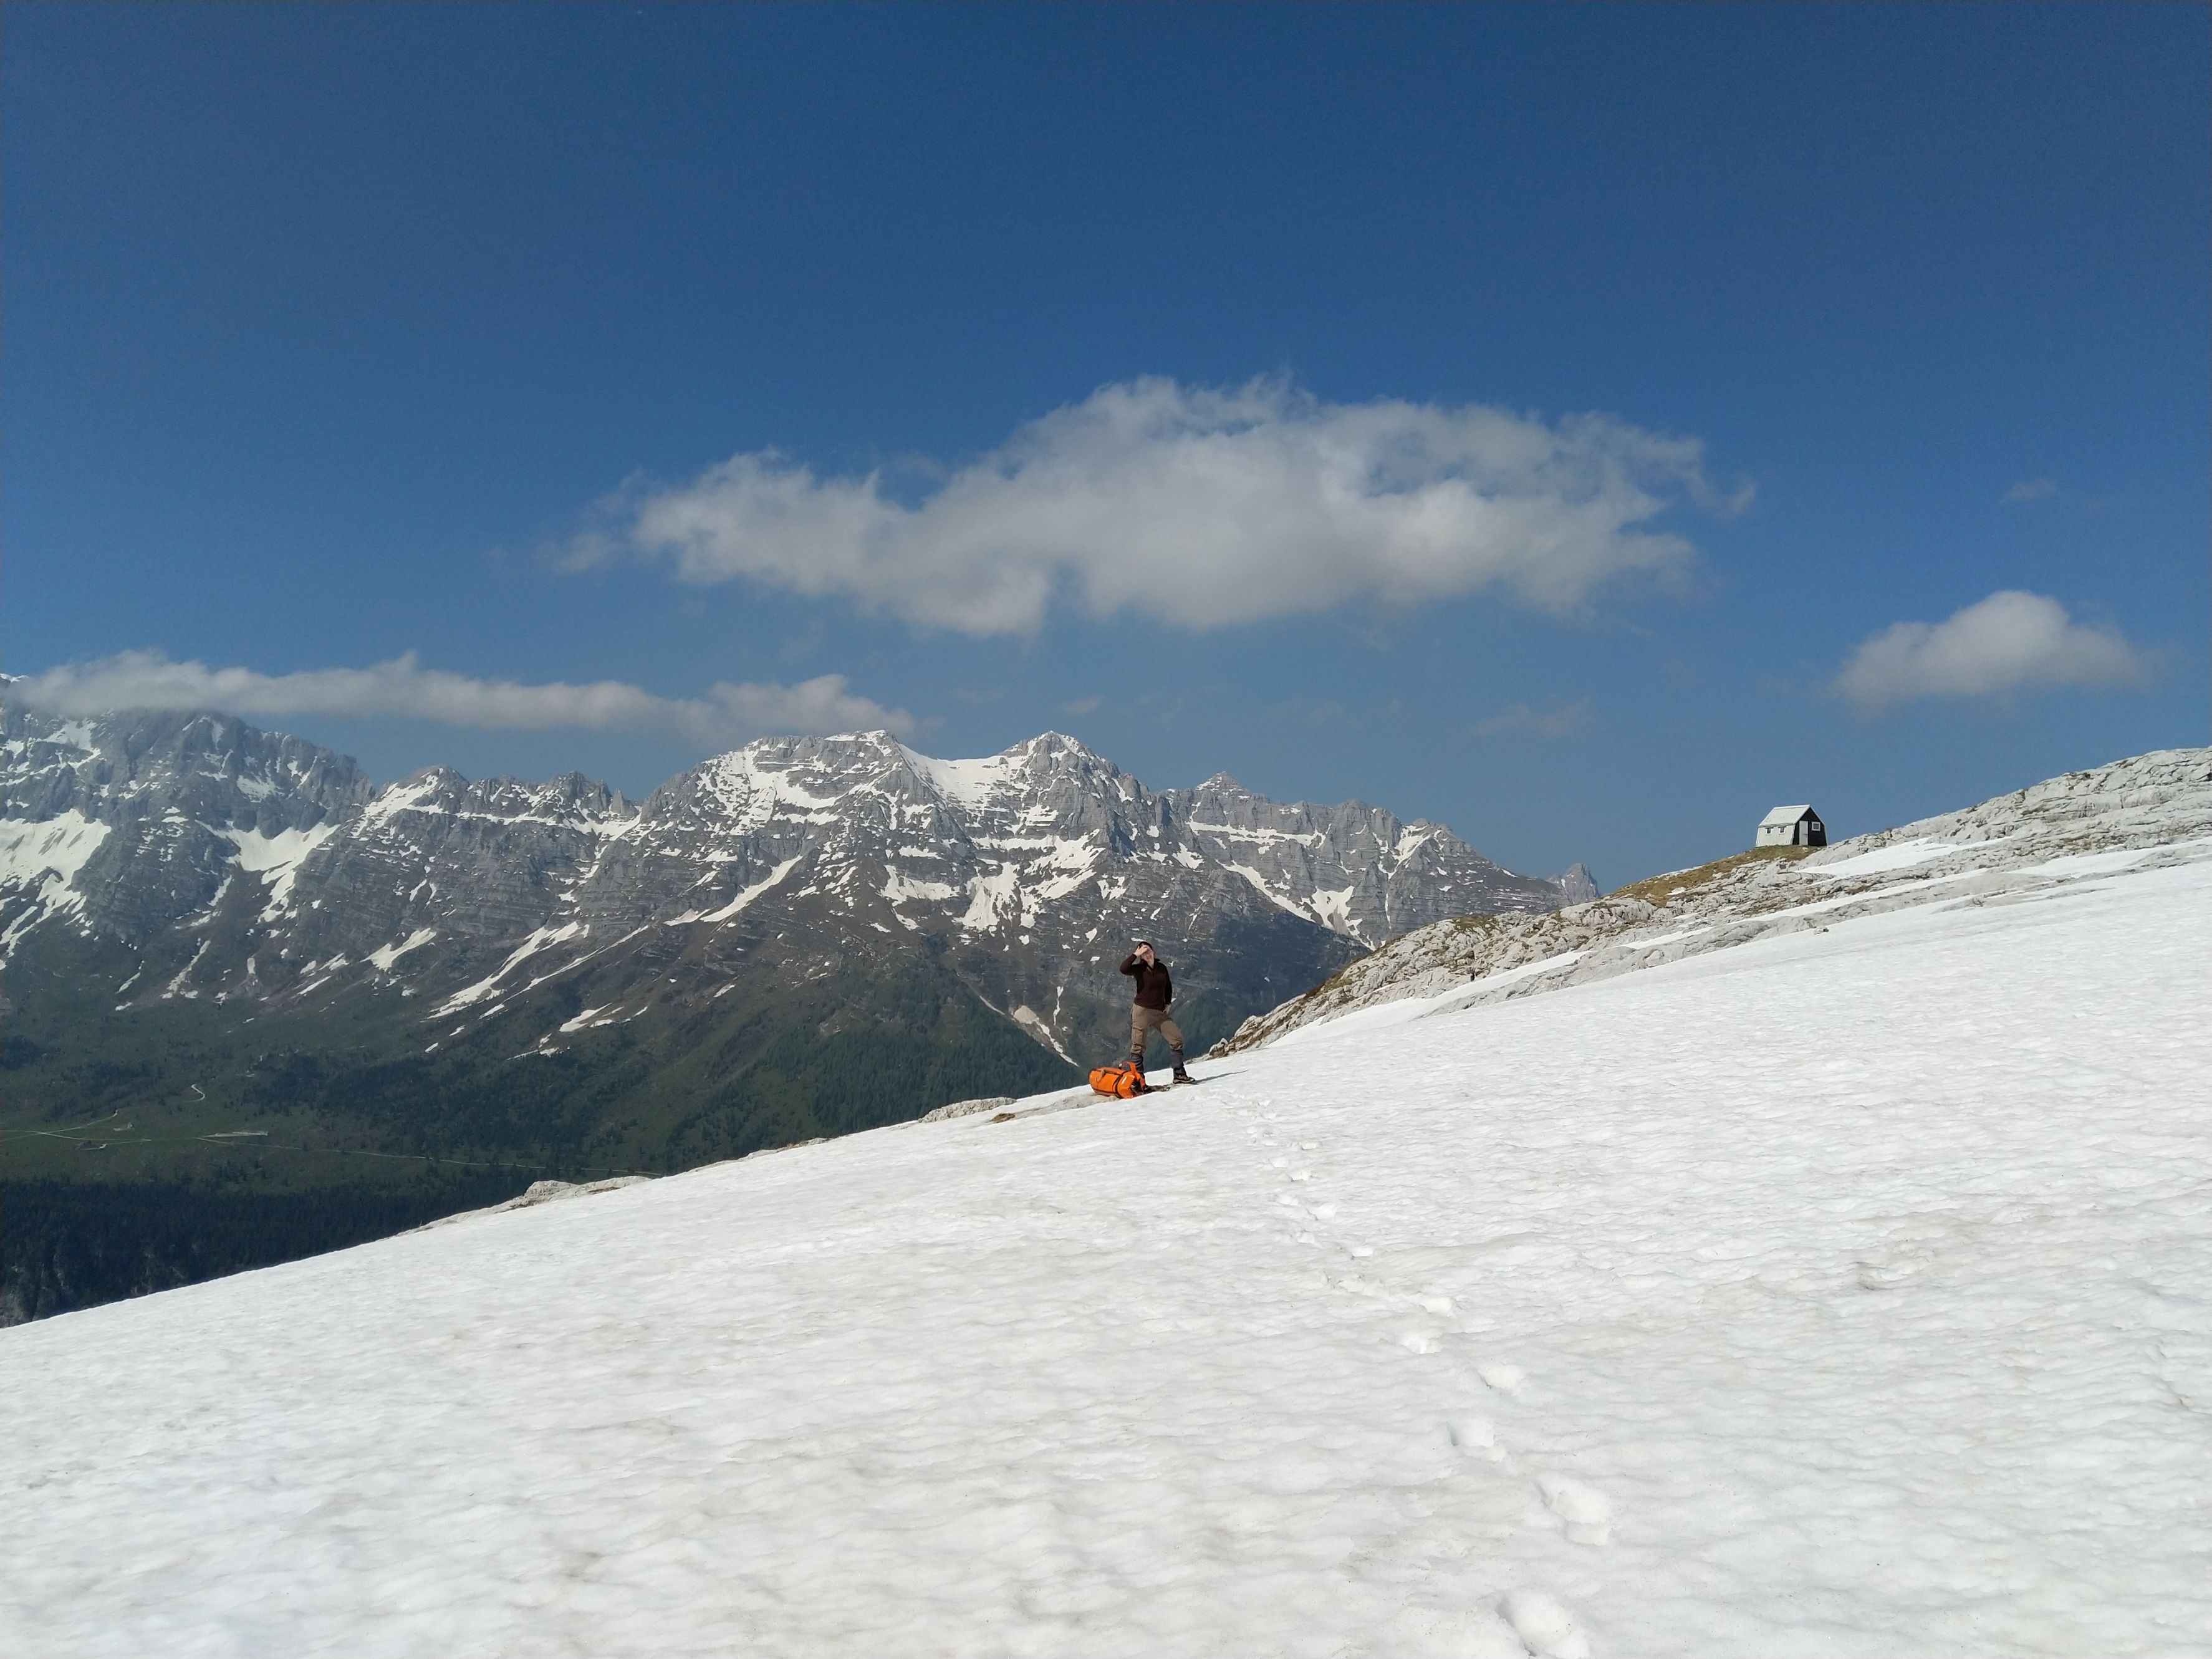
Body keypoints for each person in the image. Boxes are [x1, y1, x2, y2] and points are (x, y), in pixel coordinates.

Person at [1119, 941, 1192, 1085]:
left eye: (1149, 951)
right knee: (1138, 1046)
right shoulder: (1139, 969)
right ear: (1141, 956)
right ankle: (1138, 1081)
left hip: (1159, 1011)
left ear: (1153, 951)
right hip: (1142, 1011)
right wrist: (1135, 954)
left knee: (1177, 1038)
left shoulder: (1161, 968)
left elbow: (1168, 986)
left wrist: (1168, 1003)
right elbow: (1123, 969)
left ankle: (1179, 1074)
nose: (1147, 954)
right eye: (1144, 952)